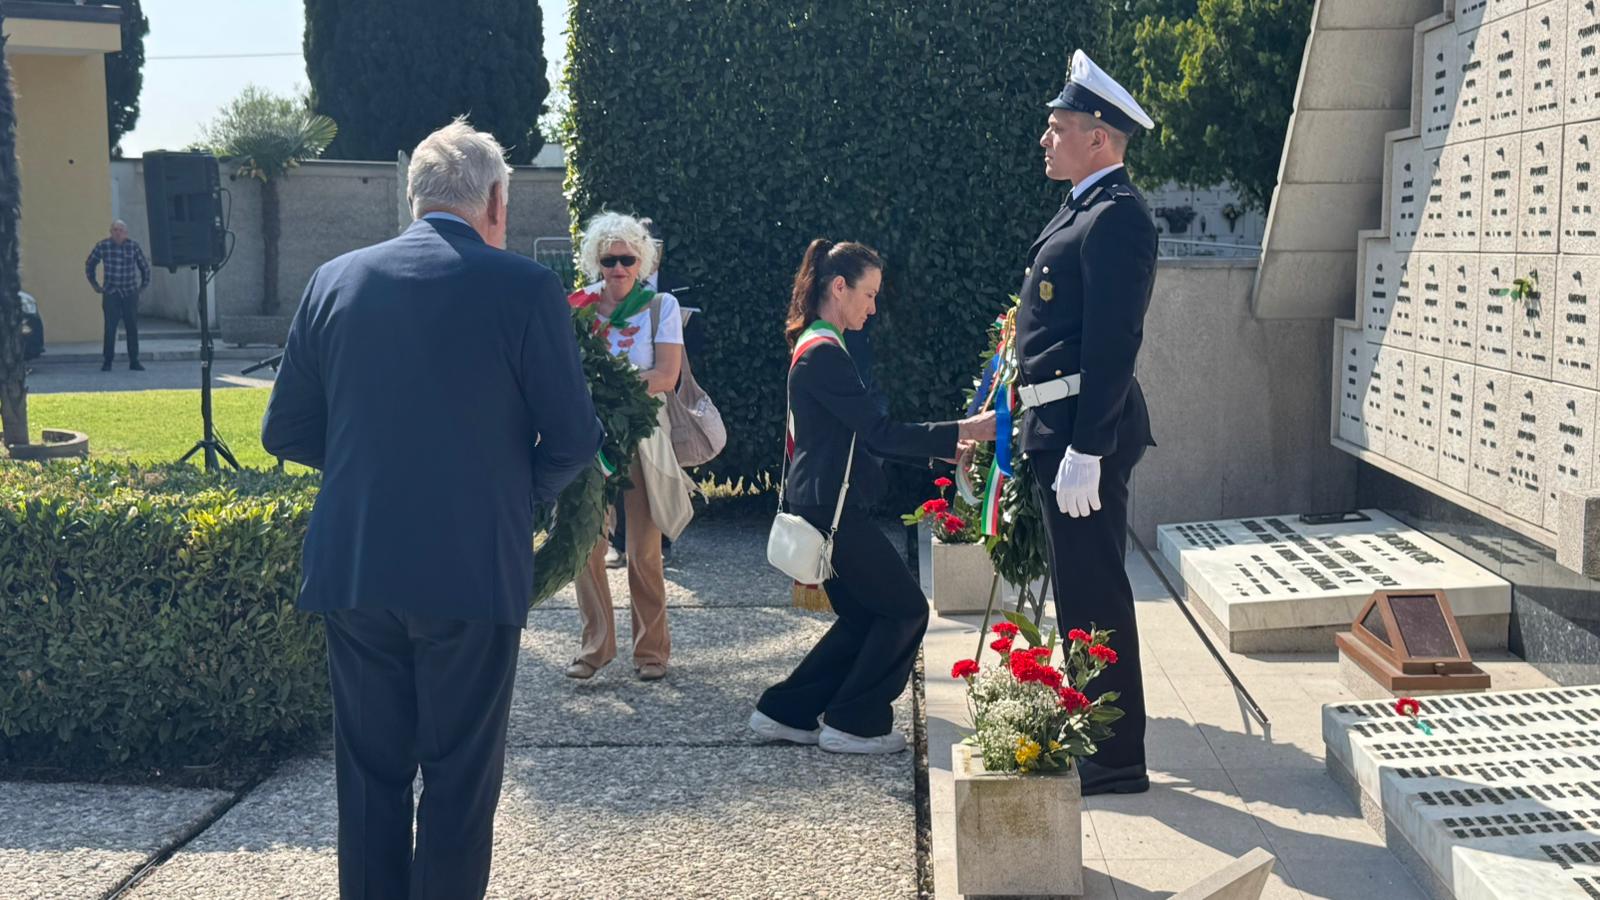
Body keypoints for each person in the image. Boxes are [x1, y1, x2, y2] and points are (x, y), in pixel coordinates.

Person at [261, 119, 602, 899]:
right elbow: (575, 437)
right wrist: (515, 497)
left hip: (355, 564)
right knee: (458, 787)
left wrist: (373, 472)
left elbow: (285, 428)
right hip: (470, 567)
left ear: (411, 200)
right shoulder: (524, 286)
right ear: (495, 202)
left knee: (370, 780)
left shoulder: (334, 279)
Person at [751, 239, 996, 754]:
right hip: (830, 511)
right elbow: (879, 433)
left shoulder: (821, 347)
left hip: (819, 505)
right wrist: (964, 430)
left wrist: (944, 453)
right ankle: (854, 722)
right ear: (838, 287)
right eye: (869, 293)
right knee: (906, 612)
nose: (874, 306)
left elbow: (861, 435)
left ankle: (785, 710)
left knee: (867, 617)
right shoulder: (823, 354)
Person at [1015, 50, 1159, 795]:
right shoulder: (1082, 209)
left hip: (1082, 436)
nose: (1046, 139)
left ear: (1099, 137)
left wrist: (1088, 447)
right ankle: (1095, 738)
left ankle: (1114, 758)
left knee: (1095, 592)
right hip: (1059, 431)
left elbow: (1113, 342)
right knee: (1078, 592)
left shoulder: (1117, 219)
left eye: (1058, 127)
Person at [565, 211, 693, 683]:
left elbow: (665, 376)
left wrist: (610, 384)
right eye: (609, 259)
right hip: (590, 437)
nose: (618, 268)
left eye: (627, 259)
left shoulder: (660, 307)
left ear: (642, 262)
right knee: (587, 545)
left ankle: (651, 653)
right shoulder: (577, 307)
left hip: (642, 435)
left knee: (643, 549)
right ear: (595, 261)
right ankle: (594, 647)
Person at [83, 219, 150, 371]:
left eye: (120, 230)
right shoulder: (103, 246)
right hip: (111, 292)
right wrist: (94, 284)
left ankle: (134, 360)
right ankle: (107, 361)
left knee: (131, 327)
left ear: (126, 233)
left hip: (129, 292)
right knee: (110, 328)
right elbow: (90, 263)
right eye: (114, 230)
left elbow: (144, 267)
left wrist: (142, 287)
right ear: (110, 232)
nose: (117, 233)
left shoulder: (133, 247)